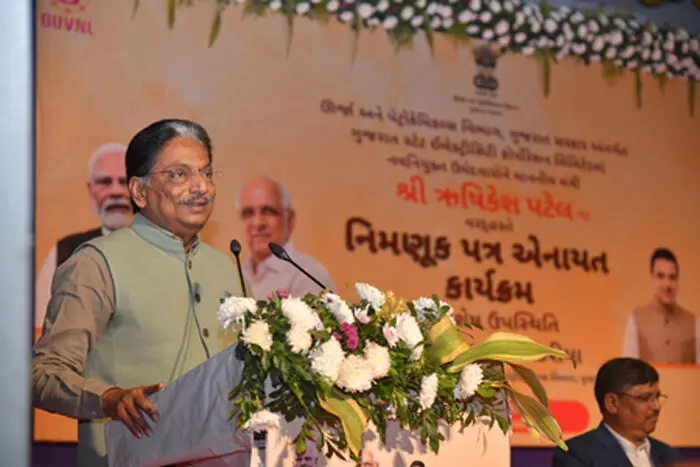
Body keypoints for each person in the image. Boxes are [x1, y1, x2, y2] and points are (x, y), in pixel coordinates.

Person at [32, 119, 245, 467]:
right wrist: (110, 399)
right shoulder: (96, 262)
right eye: (179, 174)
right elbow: (43, 374)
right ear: (139, 191)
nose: (201, 187)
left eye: (206, 173)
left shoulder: (227, 267)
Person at [34, 142, 134, 333]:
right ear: (90, 190)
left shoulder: (168, 249)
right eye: (104, 182)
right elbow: (40, 331)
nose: (115, 191)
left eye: (124, 181)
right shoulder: (64, 251)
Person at [552, 357, 681, 467]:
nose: (657, 406)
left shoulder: (668, 454)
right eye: (644, 398)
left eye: (657, 397)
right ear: (612, 403)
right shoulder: (576, 454)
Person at [235, 176, 335, 299]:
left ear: (290, 219)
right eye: (248, 213)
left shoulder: (309, 274)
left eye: (268, 211)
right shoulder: (235, 273)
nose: (257, 223)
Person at [622, 248, 699, 364]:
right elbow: (628, 369)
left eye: (672, 277)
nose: (667, 284)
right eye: (660, 276)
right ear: (652, 278)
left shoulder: (694, 323)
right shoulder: (635, 320)